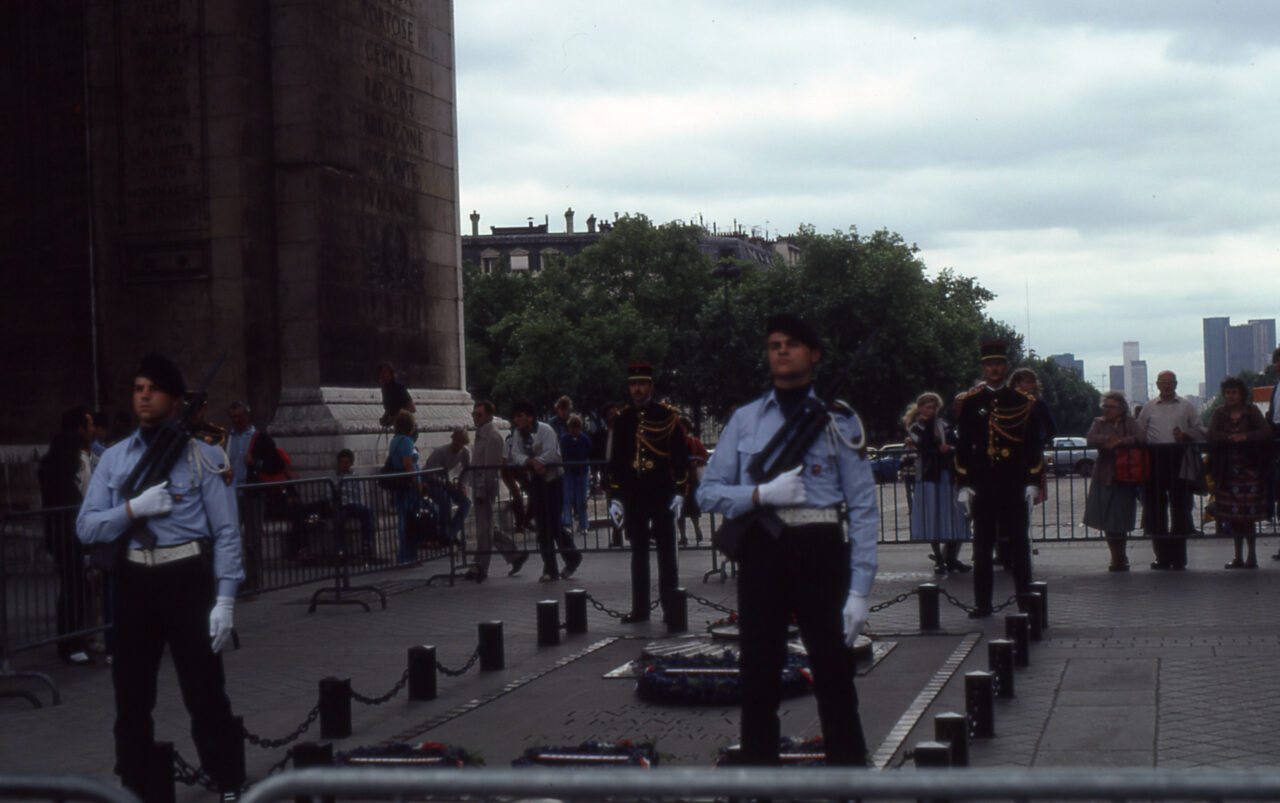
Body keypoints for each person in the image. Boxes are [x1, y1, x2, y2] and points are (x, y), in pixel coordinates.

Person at [697, 314, 878, 767]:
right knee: (757, 674)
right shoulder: (744, 420)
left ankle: (849, 780)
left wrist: (860, 588)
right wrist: (759, 494)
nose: (781, 351)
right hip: (763, 548)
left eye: (793, 343)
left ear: (814, 354)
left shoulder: (840, 419)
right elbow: (708, 492)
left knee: (834, 674)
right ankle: (761, 781)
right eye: (774, 344)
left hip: (820, 550)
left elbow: (862, 506)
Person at [75, 353, 244, 802]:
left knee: (205, 691)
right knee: (131, 697)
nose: (144, 395)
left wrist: (225, 599)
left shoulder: (204, 456)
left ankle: (228, 780)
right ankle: (135, 785)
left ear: (174, 398)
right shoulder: (113, 460)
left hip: (186, 579)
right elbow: (86, 527)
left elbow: (227, 533)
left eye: (153, 388)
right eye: (137, 387)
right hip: (132, 582)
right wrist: (133, 509)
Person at [954, 341, 1044, 618]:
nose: (994, 369)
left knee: (1019, 545)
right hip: (983, 482)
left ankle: (1025, 602)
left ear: (1006, 367)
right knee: (981, 546)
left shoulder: (1022, 402)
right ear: (983, 368)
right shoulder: (971, 403)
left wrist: (1032, 480)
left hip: (1013, 481)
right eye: (989, 364)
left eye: (999, 364)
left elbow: (1032, 445)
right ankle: (982, 603)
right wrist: (965, 484)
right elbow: (963, 446)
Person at [607, 362, 690, 623]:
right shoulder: (623, 419)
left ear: (651, 386)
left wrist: (679, 490)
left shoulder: (666, 416)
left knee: (667, 553)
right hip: (634, 495)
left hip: (661, 492)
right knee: (638, 553)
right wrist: (615, 497)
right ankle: (640, 609)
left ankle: (671, 607)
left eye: (642, 384)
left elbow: (679, 456)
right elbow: (617, 460)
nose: (637, 389)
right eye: (633, 384)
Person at [39, 406, 97, 665]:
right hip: (66, 531)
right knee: (73, 588)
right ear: (79, 429)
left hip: (67, 530)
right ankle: (70, 644)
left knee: (78, 587)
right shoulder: (66, 458)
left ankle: (79, 638)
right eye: (89, 425)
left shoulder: (68, 456)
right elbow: (73, 496)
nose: (93, 430)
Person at [1137, 371, 1205, 570]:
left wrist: (1185, 435)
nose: (1166, 386)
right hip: (1155, 458)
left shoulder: (1187, 406)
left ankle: (1179, 557)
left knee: (1181, 508)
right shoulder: (1149, 407)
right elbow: (1140, 433)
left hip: (1179, 457)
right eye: (1163, 383)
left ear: (1176, 384)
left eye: (1170, 382)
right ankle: (1162, 557)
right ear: (1157, 385)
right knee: (1156, 509)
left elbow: (1201, 429)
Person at [509, 401, 581, 581]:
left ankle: (572, 557)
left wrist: (539, 462)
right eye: (515, 416)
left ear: (530, 417)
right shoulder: (518, 434)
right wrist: (532, 462)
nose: (516, 420)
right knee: (542, 525)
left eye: (520, 416)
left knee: (554, 524)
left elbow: (551, 451)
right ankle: (550, 567)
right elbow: (515, 455)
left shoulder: (545, 430)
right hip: (537, 479)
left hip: (553, 479)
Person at [903, 392, 971, 575]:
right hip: (928, 477)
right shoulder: (915, 427)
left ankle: (951, 558)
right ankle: (939, 559)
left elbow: (956, 442)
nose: (931, 411)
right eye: (928, 407)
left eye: (934, 408)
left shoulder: (944, 424)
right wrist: (931, 428)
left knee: (954, 515)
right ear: (920, 408)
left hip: (946, 475)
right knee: (930, 518)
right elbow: (925, 446)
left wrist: (950, 448)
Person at [1207, 376, 1270, 569]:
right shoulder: (1219, 412)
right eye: (1227, 392)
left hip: (1249, 470)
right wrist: (1228, 438)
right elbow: (1210, 433)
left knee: (1249, 517)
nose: (1231, 396)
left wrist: (1245, 437)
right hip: (1227, 471)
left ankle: (1252, 556)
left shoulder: (1251, 411)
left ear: (1241, 394)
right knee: (1233, 518)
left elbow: (1266, 432)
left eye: (1234, 392)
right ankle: (1237, 556)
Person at [1083, 391, 1145, 571]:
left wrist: (1120, 442)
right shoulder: (1099, 423)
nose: (1108, 410)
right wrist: (1107, 439)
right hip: (1104, 475)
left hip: (1125, 476)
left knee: (1121, 519)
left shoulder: (1131, 423)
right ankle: (1116, 557)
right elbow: (1090, 439)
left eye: (1112, 407)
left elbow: (1141, 438)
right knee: (1107, 519)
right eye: (1106, 406)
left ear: (1121, 409)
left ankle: (1121, 555)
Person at [467, 401, 528, 581]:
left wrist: (480, 490)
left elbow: (490, 469)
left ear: (488, 416)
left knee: (484, 531)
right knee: (487, 528)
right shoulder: (482, 434)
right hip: (478, 486)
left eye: (479, 414)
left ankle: (480, 568)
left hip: (484, 488)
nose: (475, 418)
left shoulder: (492, 437)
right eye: (474, 414)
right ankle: (514, 554)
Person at [423, 427, 473, 545]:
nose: (457, 447)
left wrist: (462, 486)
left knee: (466, 502)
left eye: (460, 445)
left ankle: (452, 532)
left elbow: (467, 470)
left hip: (446, 481)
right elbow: (429, 472)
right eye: (456, 443)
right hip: (431, 480)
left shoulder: (464, 452)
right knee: (445, 500)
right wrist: (444, 483)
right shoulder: (440, 452)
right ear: (453, 440)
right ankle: (444, 533)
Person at [387, 410, 424, 563]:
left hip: (398, 482)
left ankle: (403, 555)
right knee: (410, 520)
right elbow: (408, 463)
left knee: (403, 518)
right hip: (409, 484)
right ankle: (409, 555)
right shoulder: (407, 441)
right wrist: (418, 483)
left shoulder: (395, 440)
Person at [330, 449, 375, 561]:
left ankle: (367, 544)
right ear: (338, 463)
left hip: (352, 504)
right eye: (342, 462)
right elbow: (329, 494)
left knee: (367, 511)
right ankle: (340, 549)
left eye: (347, 462)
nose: (344, 465)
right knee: (339, 520)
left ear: (350, 463)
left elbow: (358, 493)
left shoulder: (354, 476)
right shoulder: (333, 477)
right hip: (340, 505)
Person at [677, 415, 709, 547]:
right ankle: (683, 535)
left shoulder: (693, 441)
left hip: (691, 478)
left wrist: (697, 461)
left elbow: (705, 455)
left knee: (693, 509)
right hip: (678, 480)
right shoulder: (672, 443)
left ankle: (697, 530)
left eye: (683, 428)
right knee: (680, 510)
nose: (681, 430)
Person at [560, 414, 592, 537]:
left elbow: (589, 454)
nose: (574, 431)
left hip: (581, 472)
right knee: (567, 498)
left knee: (581, 499)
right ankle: (567, 523)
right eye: (572, 428)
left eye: (576, 428)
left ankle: (584, 524)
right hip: (568, 472)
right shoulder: (564, 439)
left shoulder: (585, 439)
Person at [377, 362, 416, 428]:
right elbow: (393, 408)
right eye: (380, 373)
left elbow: (412, 408)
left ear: (391, 374)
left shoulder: (398, 388)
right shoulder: (385, 389)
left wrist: (394, 417)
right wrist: (386, 418)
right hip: (398, 428)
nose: (381, 376)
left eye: (384, 373)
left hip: (407, 429)